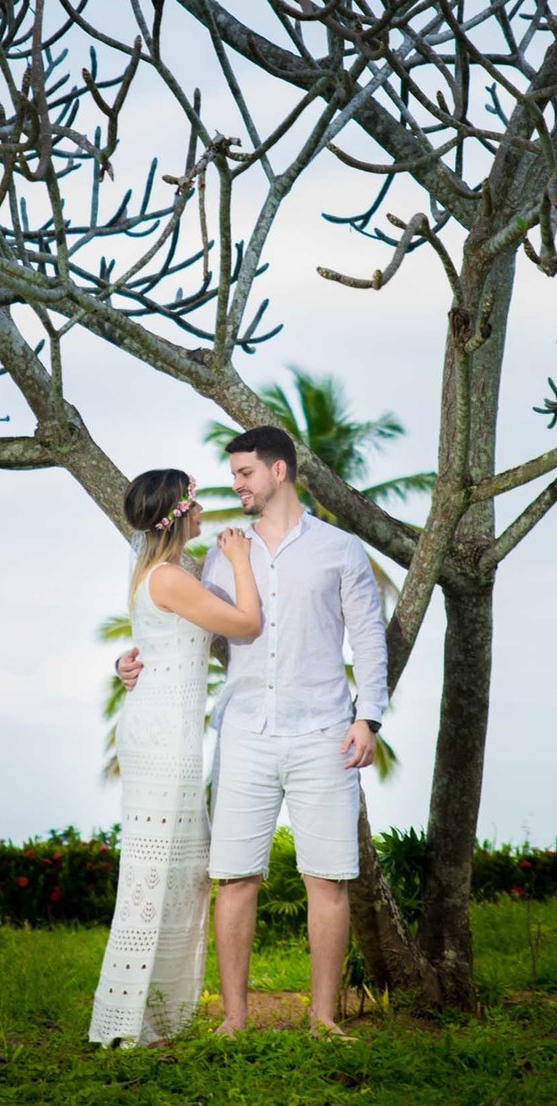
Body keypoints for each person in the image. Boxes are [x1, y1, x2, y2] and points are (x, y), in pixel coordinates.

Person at [117, 427, 388, 1038]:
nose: (234, 484)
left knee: (328, 878)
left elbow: (369, 637)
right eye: (235, 473)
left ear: (279, 472)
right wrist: (135, 663)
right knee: (235, 877)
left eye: (244, 473)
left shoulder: (340, 550)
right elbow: (196, 629)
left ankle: (322, 1020)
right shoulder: (221, 553)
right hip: (242, 732)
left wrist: (368, 718)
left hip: (325, 730)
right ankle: (234, 1020)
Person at [90, 468, 261, 1048]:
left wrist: (123, 667)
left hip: (165, 729)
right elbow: (245, 623)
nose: (204, 508)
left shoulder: (158, 574)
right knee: (160, 871)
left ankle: (157, 1015)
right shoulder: (170, 578)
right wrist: (238, 558)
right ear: (180, 512)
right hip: (165, 737)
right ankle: (129, 1021)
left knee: (180, 873)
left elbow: (158, 649)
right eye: (196, 499)